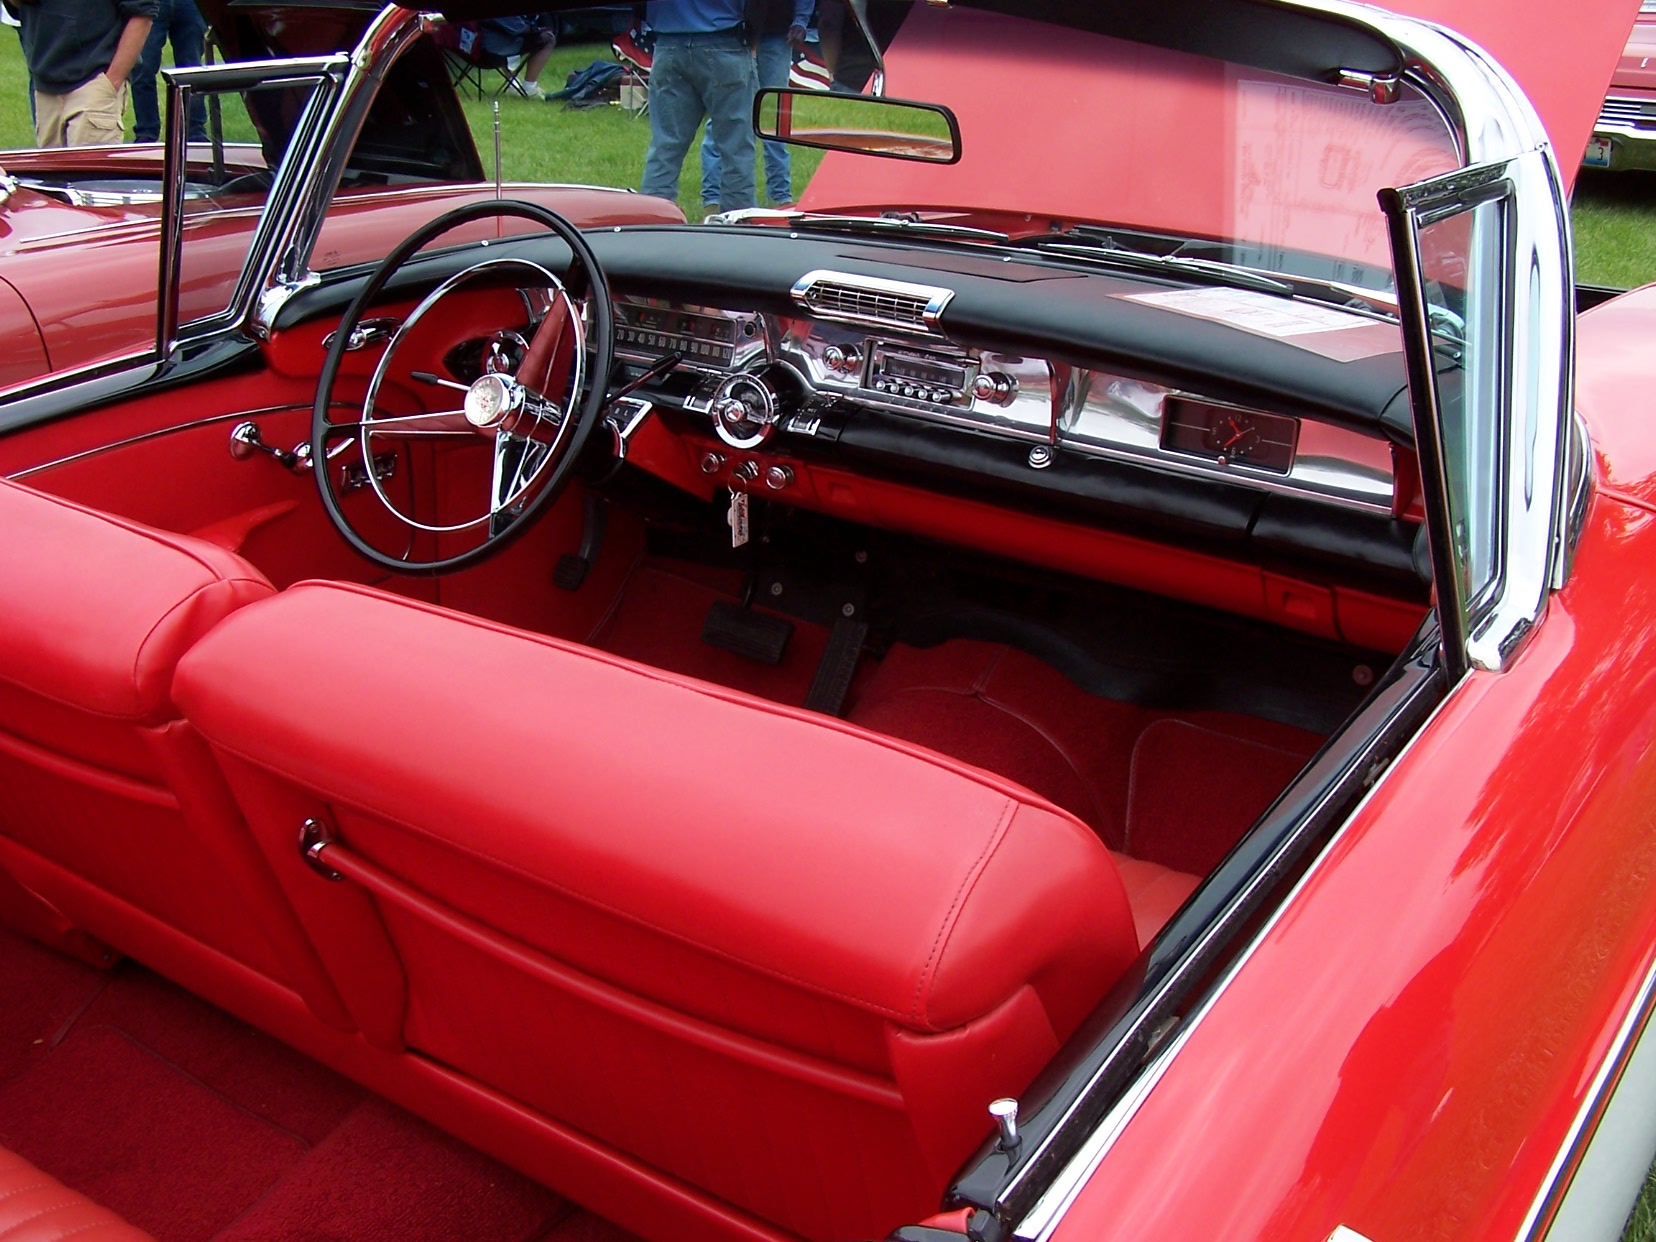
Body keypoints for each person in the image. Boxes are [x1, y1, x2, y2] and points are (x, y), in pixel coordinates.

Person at [639, 0, 757, 215]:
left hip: (667, 43)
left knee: (665, 147)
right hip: (725, 41)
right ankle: (738, 222)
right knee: (736, 147)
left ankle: (651, 221)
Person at [699, 0, 811, 214]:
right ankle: (713, 197)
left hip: (775, 32)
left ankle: (780, 198)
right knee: (725, 116)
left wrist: (801, 20)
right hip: (735, 34)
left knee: (773, 117)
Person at [10, 0, 154, 147]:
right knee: (52, 162)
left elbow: (142, 12)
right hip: (45, 86)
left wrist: (110, 83)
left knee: (87, 162)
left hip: (93, 80)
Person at [129, 0, 207, 143]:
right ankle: (146, 132)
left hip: (191, 4)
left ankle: (194, 132)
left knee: (192, 71)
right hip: (150, 3)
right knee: (143, 67)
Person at [481, 14, 557, 101]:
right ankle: (529, 87)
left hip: (474, 49)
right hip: (492, 48)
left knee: (503, 32)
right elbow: (519, 28)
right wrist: (537, 29)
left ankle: (513, 84)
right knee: (549, 38)